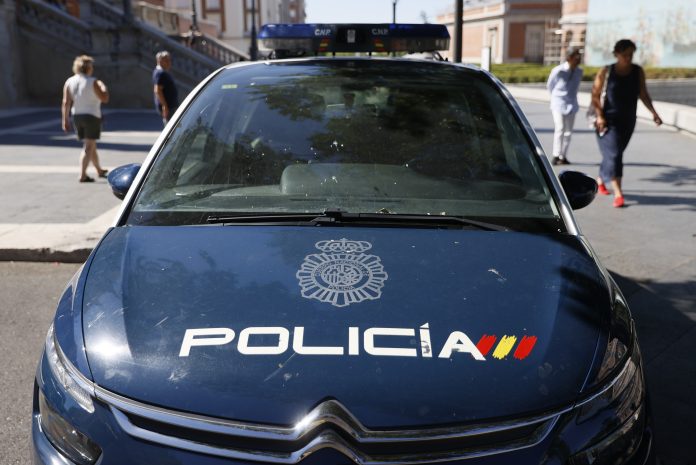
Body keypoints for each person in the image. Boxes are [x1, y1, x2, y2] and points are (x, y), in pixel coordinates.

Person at [591, 39, 662, 208]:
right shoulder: (606, 71)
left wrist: (654, 113)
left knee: (613, 153)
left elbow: (643, 94)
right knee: (615, 154)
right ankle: (618, 193)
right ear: (616, 54)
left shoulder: (637, 71)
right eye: (625, 55)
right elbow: (595, 95)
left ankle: (600, 180)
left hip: (628, 120)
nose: (628, 58)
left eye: (631, 54)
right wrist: (600, 116)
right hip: (608, 121)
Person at [62, 55, 109, 183]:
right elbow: (105, 98)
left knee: (91, 144)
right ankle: (82, 174)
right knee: (88, 146)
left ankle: (99, 169)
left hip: (77, 116)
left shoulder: (69, 81)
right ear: (88, 68)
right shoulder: (93, 81)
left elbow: (66, 102)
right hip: (92, 115)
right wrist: (103, 87)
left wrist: (65, 119)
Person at [546, 47, 583, 165]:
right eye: (575, 56)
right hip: (558, 103)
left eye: (579, 55)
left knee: (568, 132)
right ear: (569, 57)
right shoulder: (558, 71)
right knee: (560, 128)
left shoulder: (579, 72)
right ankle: (556, 154)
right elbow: (550, 86)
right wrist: (556, 98)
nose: (578, 58)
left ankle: (563, 155)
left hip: (571, 104)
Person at [153, 51, 178, 124]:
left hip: (170, 106)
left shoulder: (162, 72)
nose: (169, 62)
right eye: (166, 60)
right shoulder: (160, 73)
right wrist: (164, 106)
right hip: (168, 107)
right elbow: (157, 90)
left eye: (169, 60)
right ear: (160, 61)